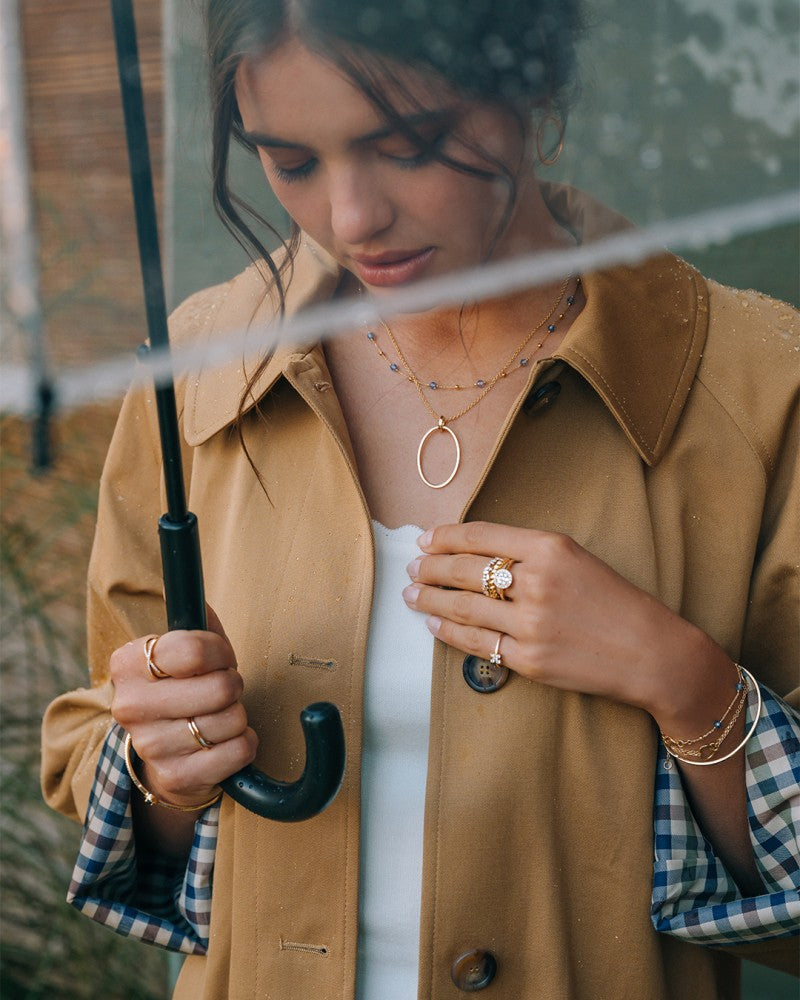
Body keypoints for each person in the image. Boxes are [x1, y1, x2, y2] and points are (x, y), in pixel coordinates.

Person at [42, 1, 799, 997]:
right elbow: (120, 761)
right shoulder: (197, 372)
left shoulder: (757, 388)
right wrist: (164, 769)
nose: (352, 218)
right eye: (290, 162)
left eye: (407, 146)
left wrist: (687, 686)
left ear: (532, 86)